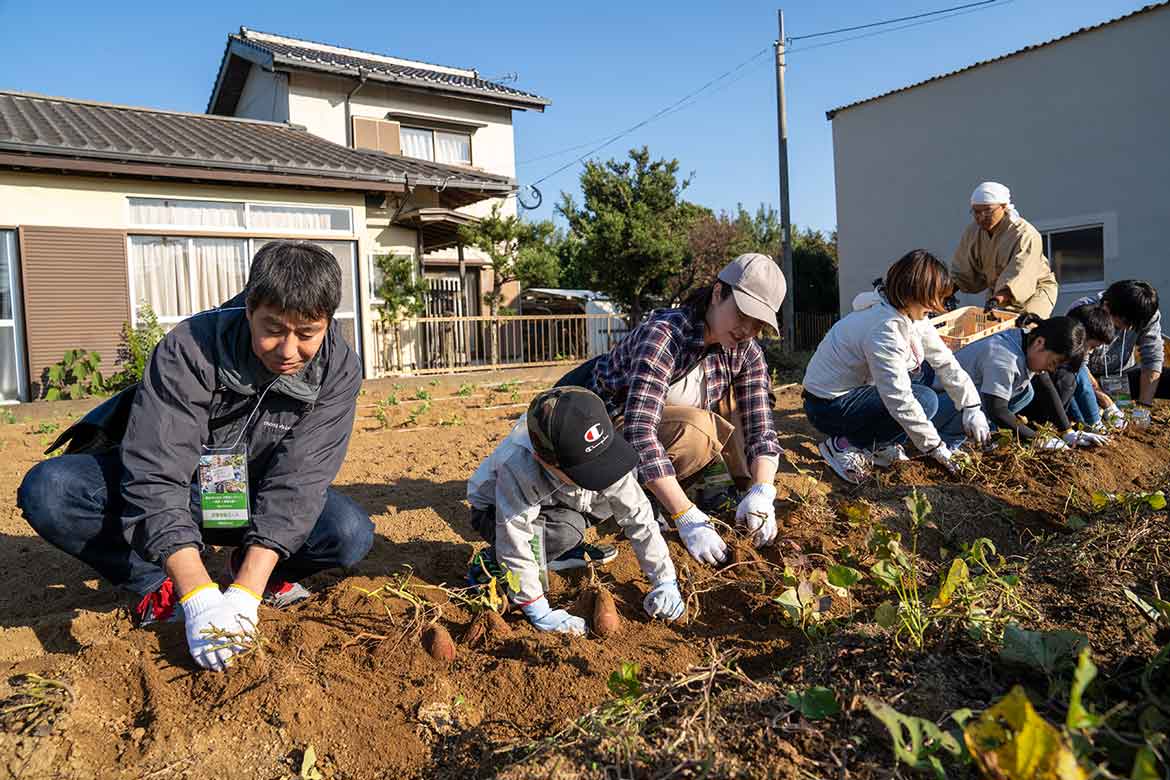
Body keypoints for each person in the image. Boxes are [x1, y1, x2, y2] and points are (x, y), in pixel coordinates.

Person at [17, 241, 373, 672]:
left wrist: (244, 594)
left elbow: (299, 483)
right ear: (248, 308)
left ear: (327, 322)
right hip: (186, 488)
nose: (287, 349)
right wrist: (198, 595)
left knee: (348, 532)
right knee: (51, 490)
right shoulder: (191, 346)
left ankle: (256, 570)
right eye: (273, 328)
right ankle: (156, 583)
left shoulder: (339, 369)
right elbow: (156, 474)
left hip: (253, 495)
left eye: (306, 334)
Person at [558, 254, 786, 567]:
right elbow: (640, 431)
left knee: (736, 405)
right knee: (698, 431)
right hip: (597, 426)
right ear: (718, 294)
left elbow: (762, 428)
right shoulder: (665, 335)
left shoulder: (745, 352)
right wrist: (686, 515)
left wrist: (763, 490)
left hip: (652, 432)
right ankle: (627, 501)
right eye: (743, 313)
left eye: (758, 323)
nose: (747, 328)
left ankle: (727, 491)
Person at [466, 387, 684, 635]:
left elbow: (638, 515)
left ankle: (557, 552)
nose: (600, 471)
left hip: (560, 499)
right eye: (583, 470)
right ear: (544, 460)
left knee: (611, 496)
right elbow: (513, 538)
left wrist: (664, 579)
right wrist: (539, 610)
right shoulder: (519, 467)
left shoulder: (598, 446)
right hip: (494, 511)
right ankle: (489, 561)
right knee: (567, 530)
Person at [802, 249, 989, 485]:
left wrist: (972, 407)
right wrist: (936, 447)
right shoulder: (883, 328)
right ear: (914, 291)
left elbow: (945, 361)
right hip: (827, 405)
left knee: (922, 376)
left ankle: (879, 444)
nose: (936, 306)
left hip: (853, 393)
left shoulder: (911, 316)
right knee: (924, 400)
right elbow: (898, 399)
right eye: (933, 297)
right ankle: (844, 445)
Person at [933, 314, 1107, 450]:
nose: (1052, 369)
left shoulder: (1025, 341)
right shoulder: (1005, 359)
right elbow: (997, 410)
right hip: (938, 406)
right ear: (1040, 343)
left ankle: (973, 439)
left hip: (955, 406)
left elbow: (1046, 387)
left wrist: (1067, 432)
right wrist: (1038, 440)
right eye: (1053, 362)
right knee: (991, 396)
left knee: (1025, 392)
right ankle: (948, 441)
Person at [952, 182, 1059, 317]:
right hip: (996, 296)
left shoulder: (1024, 233)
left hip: (1034, 293)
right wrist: (947, 291)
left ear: (1003, 207)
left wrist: (998, 298)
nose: (981, 217)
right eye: (976, 212)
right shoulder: (973, 232)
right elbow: (963, 270)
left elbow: (1021, 272)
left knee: (1028, 330)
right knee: (994, 334)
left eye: (987, 211)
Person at [1071, 280, 1164, 427]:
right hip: (1089, 379)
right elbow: (1078, 365)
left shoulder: (1145, 314)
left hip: (1122, 377)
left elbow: (1152, 358)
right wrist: (1107, 403)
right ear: (1106, 307)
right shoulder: (1084, 310)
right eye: (1123, 323)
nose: (1127, 329)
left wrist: (1143, 409)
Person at [1018, 304, 1116, 430]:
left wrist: (1078, 424)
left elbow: (1075, 393)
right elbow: (1082, 389)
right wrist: (1095, 422)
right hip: (1035, 411)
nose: (1090, 352)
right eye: (1091, 347)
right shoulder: (1052, 359)